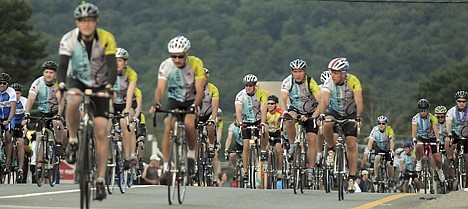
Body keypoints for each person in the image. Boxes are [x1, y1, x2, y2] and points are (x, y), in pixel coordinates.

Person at [57, 2, 117, 200]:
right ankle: (73, 138)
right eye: (83, 21)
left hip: (101, 84)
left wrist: (108, 86)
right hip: (78, 80)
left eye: (90, 20)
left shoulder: (106, 38)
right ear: (77, 22)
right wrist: (61, 85)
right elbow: (63, 66)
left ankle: (100, 179)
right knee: (72, 99)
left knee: (101, 131)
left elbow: (112, 67)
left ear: (96, 22)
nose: (86, 24)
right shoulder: (69, 39)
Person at [152, 35, 205, 182]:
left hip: (191, 99)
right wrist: (157, 103)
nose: (177, 60)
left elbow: (200, 90)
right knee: (168, 124)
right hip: (174, 99)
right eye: (173, 56)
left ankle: (190, 154)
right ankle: (167, 165)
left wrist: (195, 105)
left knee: (189, 123)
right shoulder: (166, 65)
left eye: (180, 56)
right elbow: (160, 89)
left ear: (186, 53)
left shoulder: (195, 63)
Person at [318, 57, 363, 193]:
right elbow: (324, 100)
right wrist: (321, 114)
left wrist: (359, 116)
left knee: (351, 144)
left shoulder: (353, 81)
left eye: (336, 72)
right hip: (335, 111)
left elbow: (359, 100)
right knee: (326, 123)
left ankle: (351, 178)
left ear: (344, 73)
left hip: (350, 113)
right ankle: (331, 148)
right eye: (331, 72)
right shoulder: (329, 81)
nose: (333, 75)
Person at [279, 59, 321, 182]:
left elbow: (320, 101)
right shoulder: (288, 81)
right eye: (295, 71)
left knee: (312, 140)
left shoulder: (310, 82)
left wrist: (313, 116)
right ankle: (292, 145)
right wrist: (284, 112)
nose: (298, 74)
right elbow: (282, 99)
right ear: (292, 72)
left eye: (300, 71)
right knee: (289, 118)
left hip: (310, 111)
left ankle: (310, 170)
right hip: (295, 109)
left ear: (304, 72)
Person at [24, 61, 66, 180]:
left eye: (51, 72)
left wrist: (59, 115)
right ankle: (40, 163)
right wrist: (27, 113)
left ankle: (58, 144)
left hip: (55, 110)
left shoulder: (58, 84)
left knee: (56, 122)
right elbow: (31, 99)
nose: (48, 75)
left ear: (55, 74)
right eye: (46, 72)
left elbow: (61, 101)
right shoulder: (38, 82)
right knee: (39, 136)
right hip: (42, 111)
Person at [235, 74, 269, 184]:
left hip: (258, 119)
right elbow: (238, 110)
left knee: (266, 129)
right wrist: (240, 123)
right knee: (246, 145)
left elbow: (264, 109)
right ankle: (245, 171)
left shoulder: (261, 94)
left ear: (255, 86)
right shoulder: (240, 95)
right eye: (246, 85)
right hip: (245, 121)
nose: (248, 88)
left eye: (250, 85)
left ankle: (263, 150)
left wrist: (263, 123)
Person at [114, 47, 138, 169]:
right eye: (115, 60)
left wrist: (127, 110)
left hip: (127, 102)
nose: (117, 63)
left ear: (125, 62)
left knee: (125, 122)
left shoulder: (131, 73)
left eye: (120, 60)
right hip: (113, 103)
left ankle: (128, 156)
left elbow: (129, 93)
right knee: (105, 125)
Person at [411, 99, 444, 184]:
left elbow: (436, 130)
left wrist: (438, 139)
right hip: (421, 137)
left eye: (425, 110)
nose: (423, 112)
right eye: (421, 110)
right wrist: (414, 138)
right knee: (418, 145)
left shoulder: (432, 117)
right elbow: (414, 131)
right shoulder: (415, 118)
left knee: (438, 159)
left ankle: (439, 170)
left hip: (431, 137)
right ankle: (419, 161)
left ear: (427, 110)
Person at [198, 67, 220, 181]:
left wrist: (213, 118)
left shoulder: (213, 89)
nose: (204, 79)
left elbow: (215, 107)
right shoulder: (194, 88)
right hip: (197, 114)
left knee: (211, 124)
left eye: (206, 77)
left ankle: (211, 145)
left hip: (208, 114)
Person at [446, 91, 468, 190]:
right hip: (455, 134)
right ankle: (451, 160)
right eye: (459, 101)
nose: (461, 103)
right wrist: (449, 134)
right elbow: (449, 123)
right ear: (456, 101)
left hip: (466, 134)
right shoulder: (451, 111)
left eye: (464, 101)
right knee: (447, 140)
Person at [367, 115, 395, 185]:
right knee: (377, 158)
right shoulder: (375, 129)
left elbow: (392, 140)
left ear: (386, 124)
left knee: (389, 164)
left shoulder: (389, 129)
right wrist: (369, 150)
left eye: (383, 123)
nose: (381, 125)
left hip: (387, 148)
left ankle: (390, 178)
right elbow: (370, 140)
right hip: (379, 148)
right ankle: (376, 176)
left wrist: (391, 149)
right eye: (379, 123)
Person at [10, 83, 28, 182]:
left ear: (20, 93)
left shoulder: (24, 101)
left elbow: (27, 117)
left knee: (21, 143)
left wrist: (25, 125)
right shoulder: (7, 100)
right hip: (8, 123)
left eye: (17, 93)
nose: (15, 95)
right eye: (14, 93)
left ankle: (20, 169)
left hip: (19, 125)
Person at [0, 72, 17, 175]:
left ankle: (7, 163)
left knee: (8, 137)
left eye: (4, 83)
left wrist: (9, 120)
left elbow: (13, 107)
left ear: (7, 84)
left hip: (9, 117)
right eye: (0, 83)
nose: (2, 85)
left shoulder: (11, 92)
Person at [266, 95, 283, 178]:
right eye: (268, 103)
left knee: (278, 149)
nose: (269, 105)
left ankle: (280, 170)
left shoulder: (280, 113)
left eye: (272, 104)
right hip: (268, 134)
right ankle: (267, 169)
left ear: (276, 104)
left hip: (277, 134)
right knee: (267, 149)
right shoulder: (265, 113)